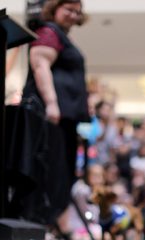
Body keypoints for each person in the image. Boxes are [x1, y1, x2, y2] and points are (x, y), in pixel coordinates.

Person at [17, 0, 89, 227]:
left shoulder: (62, 36)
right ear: (54, 9)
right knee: (50, 169)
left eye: (77, 12)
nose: (73, 15)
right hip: (52, 116)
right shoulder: (48, 31)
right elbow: (40, 65)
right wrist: (51, 103)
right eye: (68, 9)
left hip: (66, 118)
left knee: (63, 171)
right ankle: (40, 224)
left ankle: (55, 226)